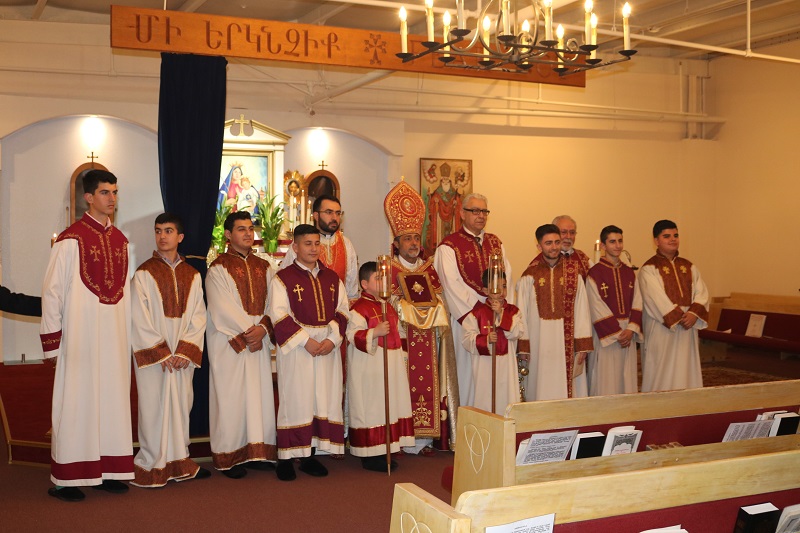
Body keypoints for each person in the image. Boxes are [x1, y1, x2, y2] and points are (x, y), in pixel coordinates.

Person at [40, 169, 133, 502]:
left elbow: (126, 294)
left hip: (113, 339)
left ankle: (108, 470)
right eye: (105, 192)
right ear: (88, 197)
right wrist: (53, 343)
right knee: (77, 404)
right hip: (79, 338)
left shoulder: (122, 241)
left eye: (115, 192)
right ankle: (66, 477)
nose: (112, 198)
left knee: (112, 402)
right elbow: (52, 293)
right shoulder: (70, 239)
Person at [130, 213, 210, 487]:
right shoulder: (143, 273)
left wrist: (184, 351)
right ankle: (152, 461)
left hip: (182, 355)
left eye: (168, 231)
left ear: (180, 237)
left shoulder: (192, 274)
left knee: (180, 405)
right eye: (157, 231)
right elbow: (137, 316)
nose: (162, 236)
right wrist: (162, 352)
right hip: (156, 356)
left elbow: (199, 315)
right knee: (153, 407)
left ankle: (179, 458)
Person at [268, 224, 349, 481]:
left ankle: (309, 454)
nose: (314, 248)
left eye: (317, 244)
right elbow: (278, 315)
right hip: (297, 351)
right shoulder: (282, 278)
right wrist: (305, 341)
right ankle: (285, 457)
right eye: (307, 244)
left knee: (320, 399)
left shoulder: (332, 278)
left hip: (326, 349)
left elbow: (344, 311)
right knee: (295, 400)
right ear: (295, 247)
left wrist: (332, 339)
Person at [383, 180, 456, 453]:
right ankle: (402, 439)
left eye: (416, 238)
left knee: (428, 387)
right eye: (407, 239)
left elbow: (441, 301)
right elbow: (387, 304)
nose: (413, 243)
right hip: (402, 341)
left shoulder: (429, 268)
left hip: (427, 341)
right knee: (402, 387)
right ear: (396, 243)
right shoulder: (388, 269)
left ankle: (424, 440)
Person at [206, 211, 276, 479]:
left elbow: (274, 303)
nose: (248, 233)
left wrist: (263, 328)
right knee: (231, 399)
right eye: (241, 229)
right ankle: (230, 456)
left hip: (257, 341)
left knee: (258, 397)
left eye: (250, 229)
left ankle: (257, 452)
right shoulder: (218, 269)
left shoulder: (266, 267)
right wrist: (251, 333)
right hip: (230, 344)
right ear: (227, 234)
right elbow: (221, 307)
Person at [434, 193, 512, 409]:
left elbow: (508, 278)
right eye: (475, 211)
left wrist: (501, 311)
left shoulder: (496, 242)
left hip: (496, 316)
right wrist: (480, 314)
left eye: (484, 211)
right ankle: (470, 427)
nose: (481, 216)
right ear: (462, 213)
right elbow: (451, 286)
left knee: (496, 377)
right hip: (468, 322)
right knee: (470, 378)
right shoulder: (449, 246)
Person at [346, 261, 415, 472]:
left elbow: (398, 333)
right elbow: (351, 335)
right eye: (378, 278)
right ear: (364, 284)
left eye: (385, 278)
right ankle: (369, 453)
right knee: (372, 406)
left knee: (389, 404)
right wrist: (374, 333)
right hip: (369, 366)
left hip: (390, 362)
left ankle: (386, 446)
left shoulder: (387, 306)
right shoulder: (359, 308)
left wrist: (402, 355)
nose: (383, 282)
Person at [516, 224, 593, 400]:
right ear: (539, 246)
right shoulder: (529, 275)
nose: (554, 247)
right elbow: (521, 311)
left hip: (567, 344)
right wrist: (523, 346)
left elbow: (582, 308)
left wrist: (582, 345)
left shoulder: (574, 273)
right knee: (538, 387)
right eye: (548, 243)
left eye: (557, 242)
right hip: (537, 344)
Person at [638, 220, 709, 392]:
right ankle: (659, 407)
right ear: (656, 240)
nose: (673, 239)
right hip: (662, 327)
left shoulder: (689, 266)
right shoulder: (649, 268)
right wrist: (678, 318)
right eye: (666, 236)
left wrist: (693, 313)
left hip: (687, 326)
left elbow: (702, 292)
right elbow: (654, 298)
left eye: (676, 235)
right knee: (661, 369)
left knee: (686, 368)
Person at [585, 225, 643, 396]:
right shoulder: (595, 273)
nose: (617, 245)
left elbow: (638, 301)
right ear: (603, 246)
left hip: (628, 333)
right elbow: (595, 305)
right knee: (606, 379)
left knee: (628, 379)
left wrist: (631, 329)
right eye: (612, 242)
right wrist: (618, 333)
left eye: (620, 241)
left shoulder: (629, 272)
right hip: (607, 335)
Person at [461, 269, 524, 414]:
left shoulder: (513, 312)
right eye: (495, 287)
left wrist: (501, 314)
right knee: (486, 403)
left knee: (507, 400)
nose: (500, 291)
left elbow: (517, 332)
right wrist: (486, 340)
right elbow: (466, 340)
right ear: (485, 290)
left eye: (503, 286)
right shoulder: (477, 314)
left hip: (507, 366)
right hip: (485, 368)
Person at [280, 194, 359, 302]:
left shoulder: (346, 244)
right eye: (329, 212)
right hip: (306, 309)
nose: (334, 218)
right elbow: (285, 279)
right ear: (316, 216)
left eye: (338, 213)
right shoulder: (301, 244)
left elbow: (352, 290)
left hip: (338, 310)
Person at [424, 163, 462, 253]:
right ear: (441, 180)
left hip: (451, 219)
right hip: (440, 219)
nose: (445, 181)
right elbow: (432, 203)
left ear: (449, 181)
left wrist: (456, 203)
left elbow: (460, 204)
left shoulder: (454, 192)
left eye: (447, 179)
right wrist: (435, 202)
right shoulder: (438, 191)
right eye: (444, 179)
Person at [552, 215, 592, 280]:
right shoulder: (545, 259)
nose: (568, 237)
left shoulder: (583, 259)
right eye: (564, 232)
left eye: (572, 233)